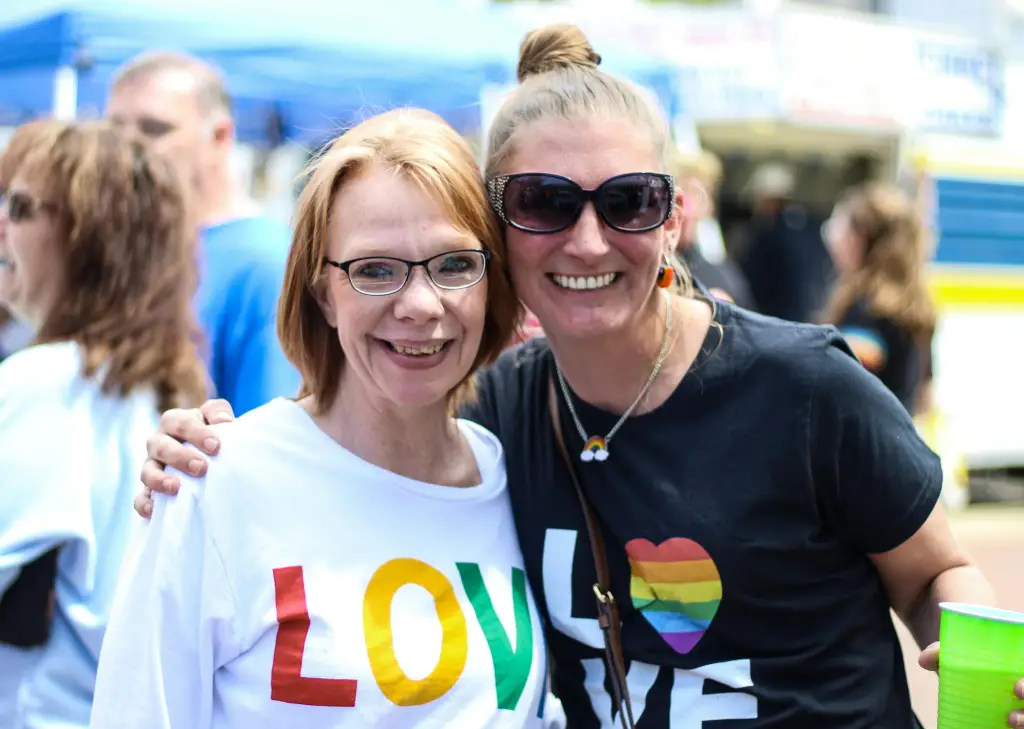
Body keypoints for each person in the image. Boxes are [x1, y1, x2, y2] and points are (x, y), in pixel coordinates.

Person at [132, 24, 1024, 729]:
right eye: (545, 203)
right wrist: (214, 449)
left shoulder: (806, 389)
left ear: (673, 217)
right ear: (501, 229)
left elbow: (936, 574)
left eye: (629, 200)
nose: (589, 240)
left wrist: (988, 679)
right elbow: (357, 430)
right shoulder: (500, 413)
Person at [91, 108, 555, 729]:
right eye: (375, 270)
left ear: (490, 281)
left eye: (453, 265)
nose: (420, 305)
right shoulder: (213, 481)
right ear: (322, 296)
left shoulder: (512, 477)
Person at [0, 120, 207, 728]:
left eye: (20, 207)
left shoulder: (49, 382)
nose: (1, 224)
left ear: (90, 238)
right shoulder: (162, 383)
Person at [106, 52, 300, 415]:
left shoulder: (265, 259)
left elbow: (267, 424)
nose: (126, 148)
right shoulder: (132, 247)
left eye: (154, 129)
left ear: (219, 137)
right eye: (115, 130)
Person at [820, 182, 936, 414]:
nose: (832, 238)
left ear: (860, 238)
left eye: (840, 227)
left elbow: (842, 392)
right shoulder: (911, 304)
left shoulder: (867, 310)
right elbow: (925, 397)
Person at [667, 149, 755, 309]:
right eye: (680, 196)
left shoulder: (720, 276)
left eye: (697, 195)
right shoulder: (647, 270)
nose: (688, 210)